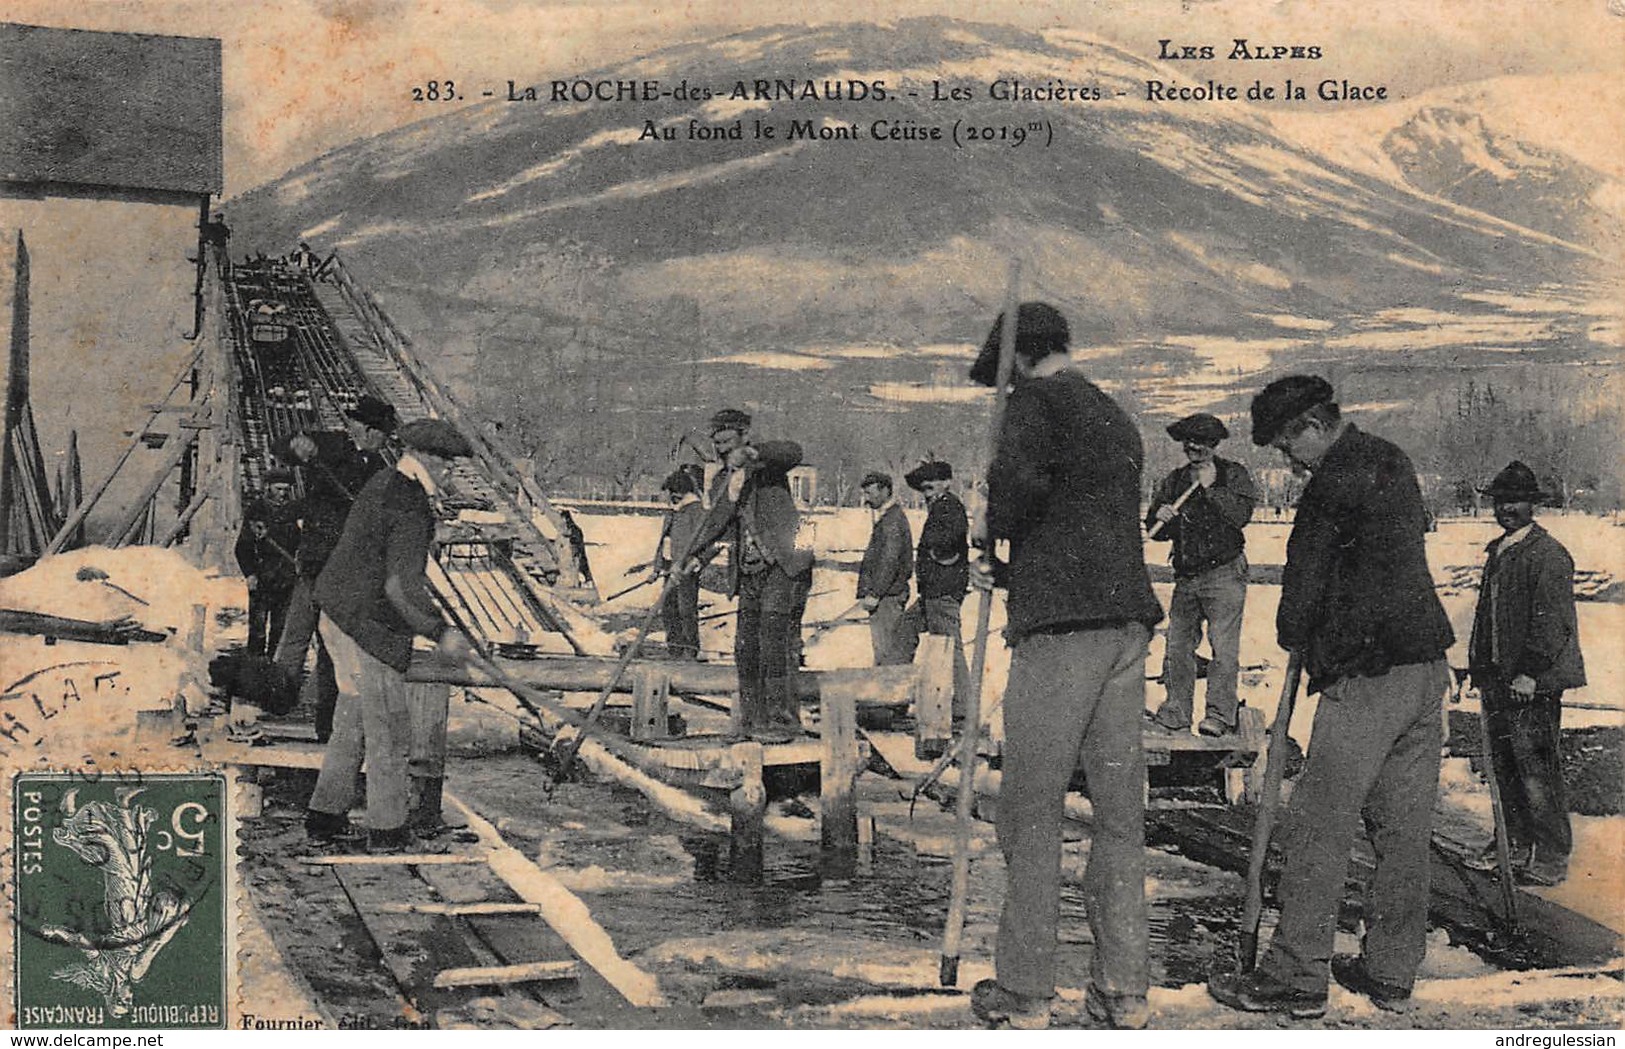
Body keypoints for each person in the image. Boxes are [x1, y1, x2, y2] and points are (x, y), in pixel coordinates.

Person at [1208, 375, 1454, 1018]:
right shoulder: (1390, 459)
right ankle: (1391, 971)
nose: (1289, 462)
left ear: (1313, 426)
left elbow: (1304, 584)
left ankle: (1296, 974)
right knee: (1404, 832)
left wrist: (1296, 632)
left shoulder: (1330, 487)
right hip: (1425, 670)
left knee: (1318, 824)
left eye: (1289, 447)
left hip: (1367, 678)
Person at [967, 303, 1163, 1031]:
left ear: (1016, 360)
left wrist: (988, 525)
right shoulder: (1112, 414)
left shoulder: (1030, 406)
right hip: (1124, 631)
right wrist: (1019, 573)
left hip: (1059, 639)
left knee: (1031, 807)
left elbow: (1017, 502)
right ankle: (1124, 991)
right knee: (1118, 816)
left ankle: (1024, 990)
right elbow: (1082, 530)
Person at [304, 419, 474, 853]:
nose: (453, 474)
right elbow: (399, 587)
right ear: (429, 460)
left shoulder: (385, 480)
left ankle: (325, 816)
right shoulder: (410, 504)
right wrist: (440, 632)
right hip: (366, 625)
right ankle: (388, 830)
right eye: (450, 466)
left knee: (355, 718)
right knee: (390, 729)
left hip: (336, 612)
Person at [1466, 461, 1585, 887]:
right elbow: (1490, 618)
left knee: (1536, 769)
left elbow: (1553, 622)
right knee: (1504, 767)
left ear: (1532, 506)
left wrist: (1531, 674)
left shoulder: (1548, 555)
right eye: (1500, 502)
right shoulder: (1499, 551)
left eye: (1515, 502)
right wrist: (1477, 665)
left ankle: (1551, 854)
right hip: (1499, 679)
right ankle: (1513, 844)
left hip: (1530, 683)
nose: (1506, 510)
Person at [271, 396, 398, 741]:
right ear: (368, 430)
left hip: (344, 573)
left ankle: (326, 727)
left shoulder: (380, 470)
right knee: (295, 637)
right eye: (382, 433)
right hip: (314, 562)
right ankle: (277, 709)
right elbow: (281, 448)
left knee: (332, 651)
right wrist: (296, 446)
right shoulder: (330, 444)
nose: (384, 440)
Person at [685, 408, 814, 743]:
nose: (722, 449)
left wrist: (754, 454)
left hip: (785, 566)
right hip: (749, 571)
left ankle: (781, 722)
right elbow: (714, 522)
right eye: (717, 444)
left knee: (774, 642)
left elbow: (792, 452)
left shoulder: (768, 466)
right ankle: (752, 721)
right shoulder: (720, 480)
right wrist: (689, 556)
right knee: (745, 648)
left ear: (744, 436)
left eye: (728, 442)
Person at [1145, 412, 1256, 736]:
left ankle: (1219, 716)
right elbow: (1155, 531)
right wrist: (1160, 515)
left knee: (1223, 648)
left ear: (1214, 444)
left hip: (1224, 573)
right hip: (1186, 576)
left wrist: (1211, 492)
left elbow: (1240, 516)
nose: (1195, 447)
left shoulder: (1233, 475)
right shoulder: (1175, 480)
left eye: (1203, 442)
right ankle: (1176, 713)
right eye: (1190, 441)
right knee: (1178, 647)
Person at [902, 459, 971, 710]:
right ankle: (895, 694)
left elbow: (953, 537)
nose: (925, 495)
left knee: (949, 647)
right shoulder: (940, 506)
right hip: (933, 592)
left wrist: (935, 551)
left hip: (942, 592)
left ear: (946, 483)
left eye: (930, 489)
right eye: (923, 490)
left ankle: (965, 708)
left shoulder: (950, 506)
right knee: (904, 631)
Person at [234, 470, 300, 660]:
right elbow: (242, 547)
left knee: (280, 630)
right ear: (268, 487)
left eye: (286, 490)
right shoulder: (257, 510)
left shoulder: (293, 510)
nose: (283, 493)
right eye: (279, 489)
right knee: (258, 630)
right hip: (262, 577)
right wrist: (250, 574)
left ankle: (273, 674)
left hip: (287, 578)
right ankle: (253, 673)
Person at [856, 471, 913, 666]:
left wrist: (875, 593)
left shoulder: (892, 520)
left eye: (870, 494)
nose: (866, 499)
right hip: (885, 595)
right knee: (883, 650)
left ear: (885, 490)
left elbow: (890, 560)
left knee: (886, 653)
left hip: (887, 597)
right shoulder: (888, 517)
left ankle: (887, 693)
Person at [653, 467, 706, 660]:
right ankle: (674, 649)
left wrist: (695, 562)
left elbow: (704, 542)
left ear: (680, 493)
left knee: (686, 610)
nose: (668, 498)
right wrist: (657, 567)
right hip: (669, 569)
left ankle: (689, 651)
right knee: (669, 610)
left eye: (671, 494)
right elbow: (664, 542)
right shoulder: (673, 512)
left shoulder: (696, 511)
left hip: (685, 570)